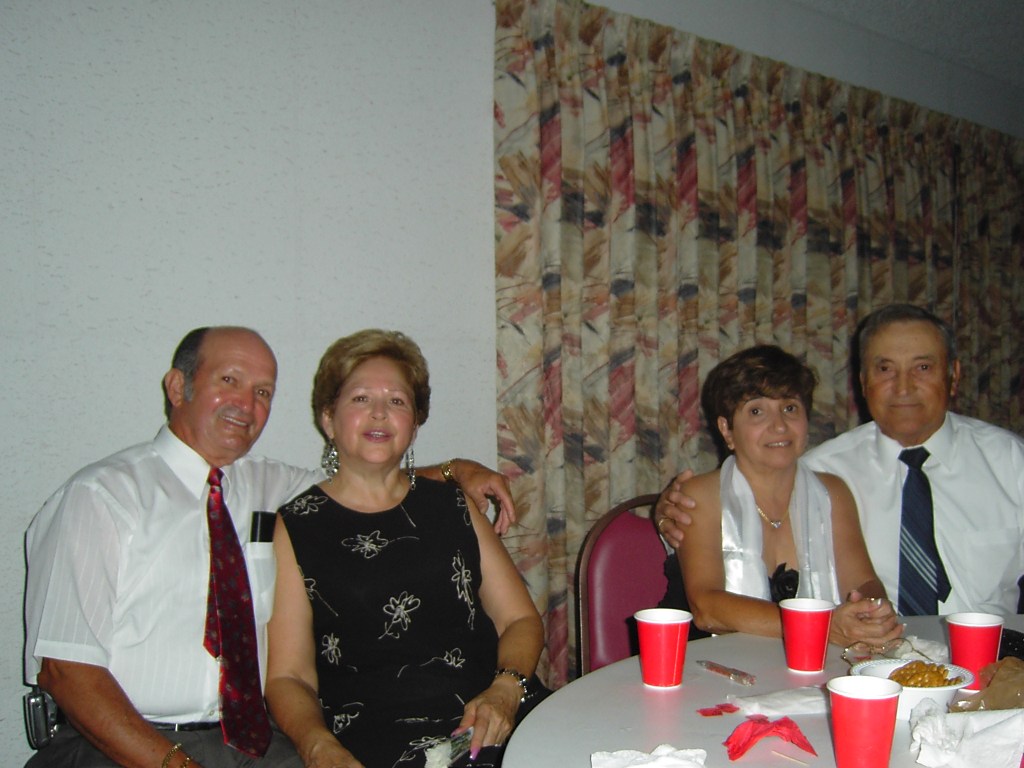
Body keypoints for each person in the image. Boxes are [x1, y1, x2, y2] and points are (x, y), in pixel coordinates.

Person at [23, 326, 518, 768]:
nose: (247, 403)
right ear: (177, 387)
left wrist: (456, 469)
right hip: (123, 745)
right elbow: (66, 672)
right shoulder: (101, 497)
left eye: (262, 391)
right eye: (229, 381)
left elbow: (370, 479)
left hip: (252, 742)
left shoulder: (270, 485)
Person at [265, 329, 544, 768]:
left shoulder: (453, 506)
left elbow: (520, 619)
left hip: (492, 713)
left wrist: (506, 689)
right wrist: (316, 745)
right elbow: (288, 675)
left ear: (414, 425)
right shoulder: (297, 525)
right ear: (329, 419)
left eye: (396, 401)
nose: (379, 412)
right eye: (360, 398)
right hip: (377, 737)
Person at [656, 305, 1024, 616]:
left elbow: (863, 584)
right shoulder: (824, 467)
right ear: (863, 382)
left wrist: (870, 612)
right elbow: (712, 535)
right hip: (854, 659)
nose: (904, 386)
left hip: (994, 653)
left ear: (954, 375)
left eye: (923, 367)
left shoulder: (1011, 461)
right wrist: (664, 513)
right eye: (885, 369)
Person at [663, 345, 900, 646]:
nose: (779, 425)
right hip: (705, 660)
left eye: (790, 408)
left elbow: (863, 582)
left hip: (814, 661)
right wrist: (820, 626)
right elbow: (707, 608)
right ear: (727, 430)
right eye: (756, 411)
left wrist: (871, 612)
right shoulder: (699, 496)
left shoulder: (833, 492)